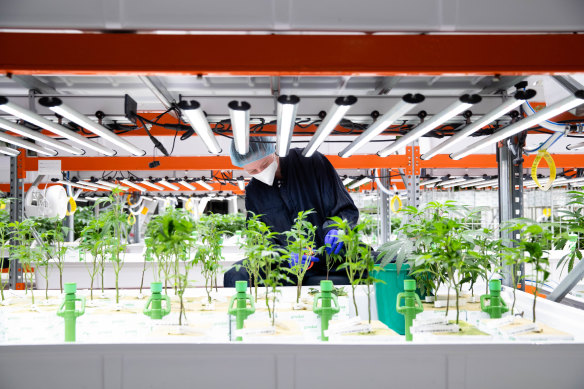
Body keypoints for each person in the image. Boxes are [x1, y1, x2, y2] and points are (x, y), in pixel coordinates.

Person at [223, 137, 359, 287]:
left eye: (265, 164)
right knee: (236, 274)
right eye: (253, 171)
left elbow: (345, 208)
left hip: (328, 257)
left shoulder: (311, 161)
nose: (261, 171)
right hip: (288, 266)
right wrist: (285, 255)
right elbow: (258, 238)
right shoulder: (255, 192)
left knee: (381, 261)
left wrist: (338, 229)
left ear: (274, 150)